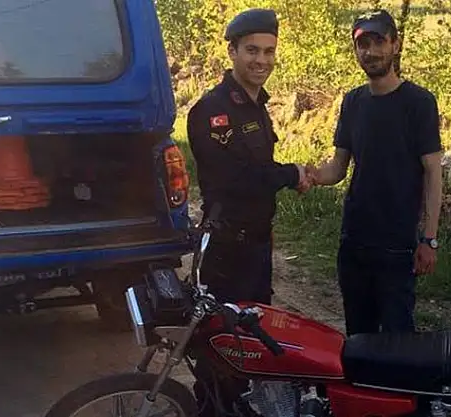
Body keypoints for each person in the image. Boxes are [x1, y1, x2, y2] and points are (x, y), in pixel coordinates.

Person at [185, 8, 310, 416]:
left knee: (252, 343)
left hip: (256, 247)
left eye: (269, 51)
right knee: (221, 348)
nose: (262, 60)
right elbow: (236, 178)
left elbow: (258, 171)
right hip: (226, 250)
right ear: (233, 51)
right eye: (252, 50)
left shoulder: (257, 105)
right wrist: (293, 174)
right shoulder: (212, 110)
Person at [306, 9, 443, 336]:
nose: (370, 51)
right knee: (358, 336)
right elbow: (338, 168)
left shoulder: (419, 102)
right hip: (354, 241)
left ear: (396, 44)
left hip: (397, 245)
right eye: (363, 44)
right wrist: (309, 176)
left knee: (398, 340)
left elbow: (433, 174)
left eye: (379, 41)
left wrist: (429, 239)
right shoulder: (352, 102)